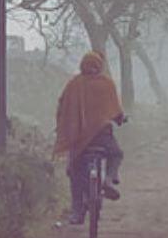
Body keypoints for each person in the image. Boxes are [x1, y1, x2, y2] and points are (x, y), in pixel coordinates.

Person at [54, 51, 126, 225]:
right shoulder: (107, 84)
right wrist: (120, 119)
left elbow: (62, 107)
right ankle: (109, 179)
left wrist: (62, 127)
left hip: (79, 140)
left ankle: (77, 212)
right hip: (102, 137)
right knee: (116, 154)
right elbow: (115, 111)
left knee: (74, 170)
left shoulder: (74, 84)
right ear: (99, 65)